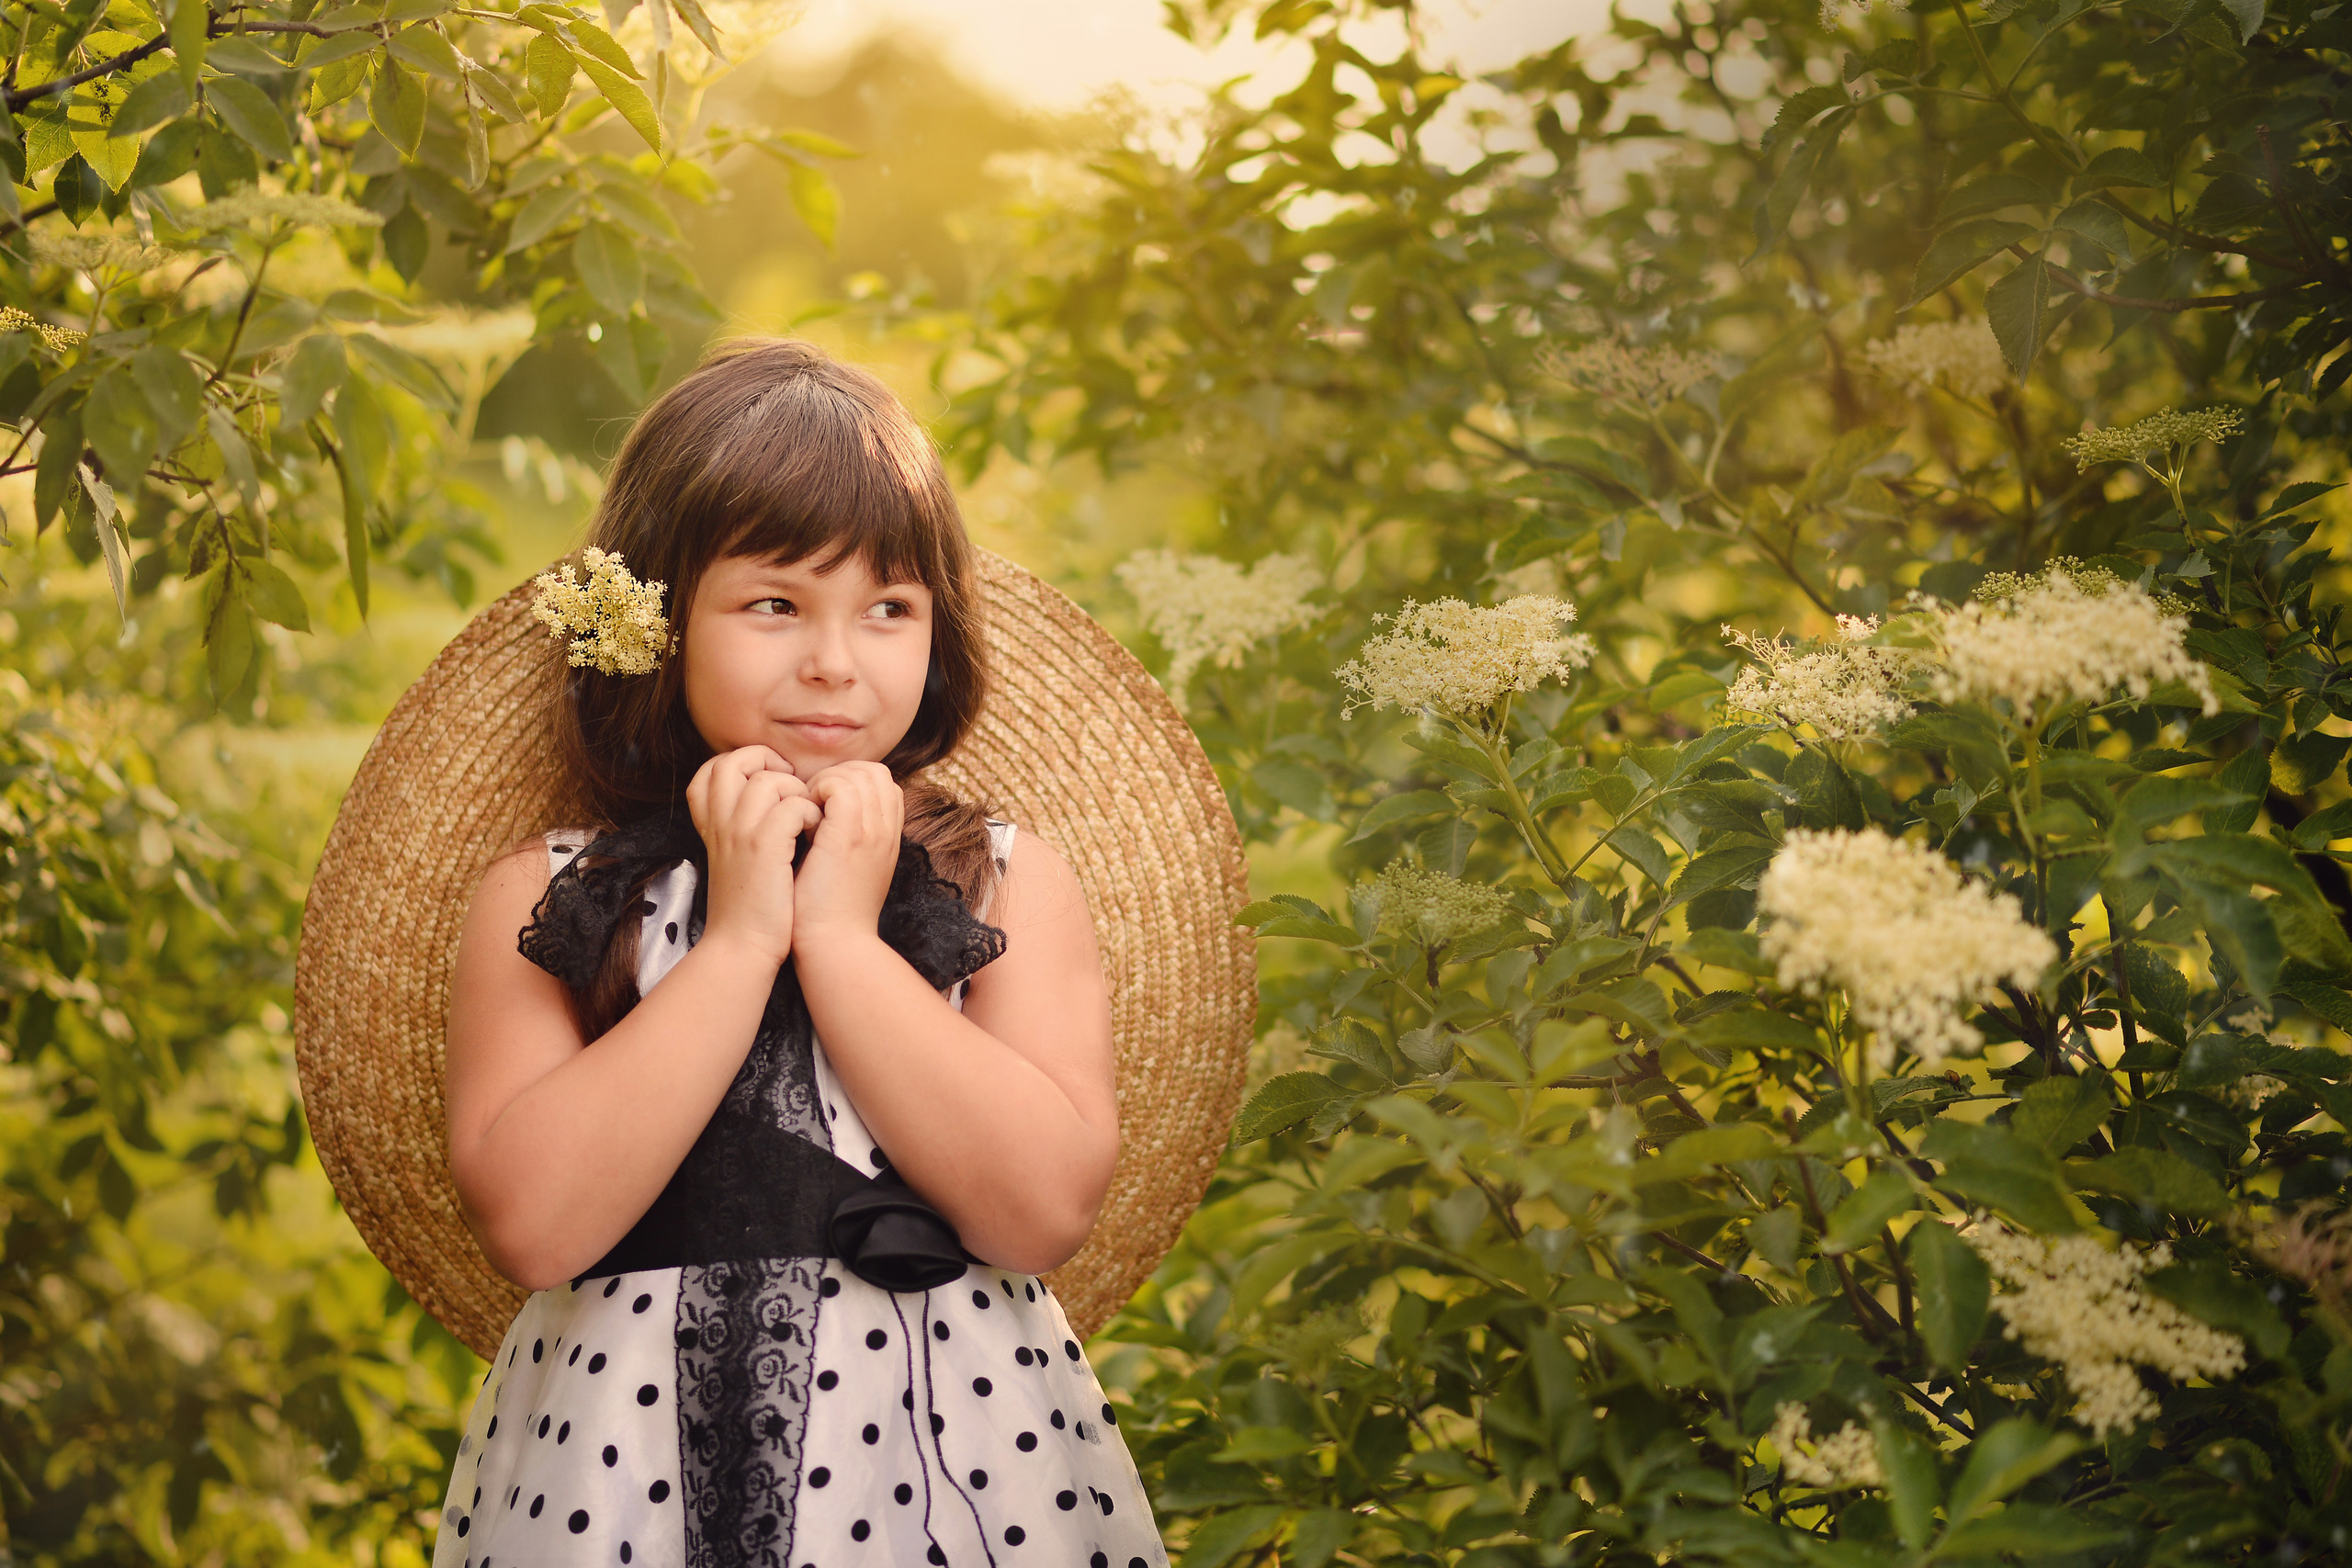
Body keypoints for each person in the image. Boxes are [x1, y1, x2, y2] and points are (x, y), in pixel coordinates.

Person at [427, 339, 1169, 1568]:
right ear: (661, 625)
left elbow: (1042, 1210)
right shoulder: (558, 894)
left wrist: (837, 936)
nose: (835, 659)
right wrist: (741, 938)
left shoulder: (999, 882)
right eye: (774, 604)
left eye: (889, 609)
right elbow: (536, 1227)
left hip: (955, 1465)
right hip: (622, 1478)